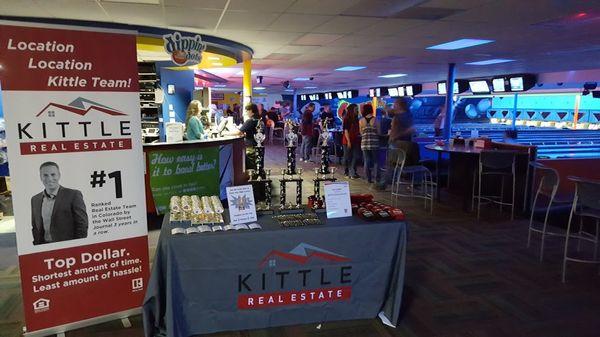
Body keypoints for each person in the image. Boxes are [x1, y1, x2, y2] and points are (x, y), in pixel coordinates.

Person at [31, 162, 88, 245]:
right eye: (45, 175)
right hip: (44, 247)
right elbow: (35, 227)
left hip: (67, 247)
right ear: (40, 177)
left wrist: (77, 246)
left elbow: (82, 225)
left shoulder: (73, 195)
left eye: (53, 174)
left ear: (59, 175)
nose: (50, 178)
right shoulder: (35, 199)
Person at [235, 104, 260, 170]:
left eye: (246, 111)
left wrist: (224, 133)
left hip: (251, 147)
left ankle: (251, 177)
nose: (246, 113)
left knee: (250, 166)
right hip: (258, 146)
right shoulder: (259, 119)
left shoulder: (250, 121)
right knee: (257, 164)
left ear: (251, 111)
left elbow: (238, 132)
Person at [359, 104, 379, 183]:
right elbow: (378, 132)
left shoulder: (361, 121)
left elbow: (361, 133)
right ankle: (377, 179)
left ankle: (368, 179)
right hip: (374, 143)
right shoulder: (375, 120)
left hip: (364, 143)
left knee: (367, 161)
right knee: (375, 161)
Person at [342, 103, 361, 178]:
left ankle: (353, 171)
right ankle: (347, 171)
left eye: (357, 109)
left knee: (356, 156)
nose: (357, 110)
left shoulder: (356, 118)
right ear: (351, 110)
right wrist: (349, 141)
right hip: (347, 140)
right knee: (347, 157)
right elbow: (346, 131)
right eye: (356, 109)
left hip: (355, 140)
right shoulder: (346, 119)